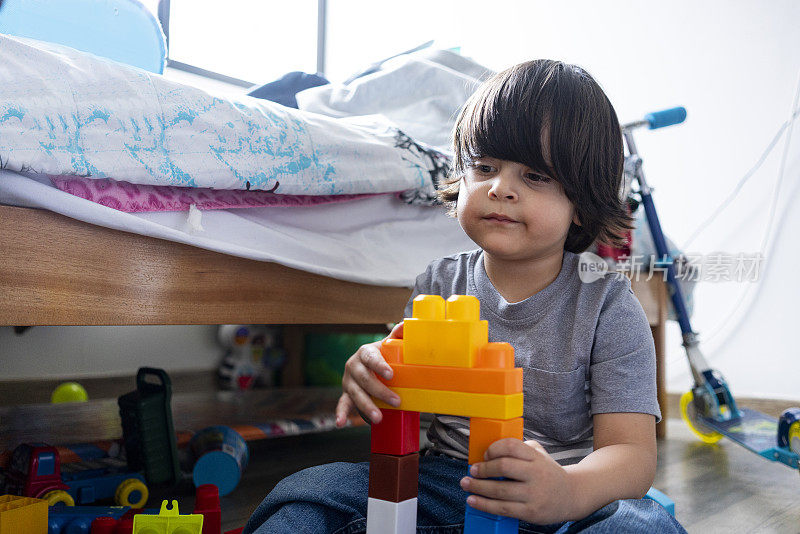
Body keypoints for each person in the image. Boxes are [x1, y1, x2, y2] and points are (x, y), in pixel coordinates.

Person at [243, 59, 687, 533]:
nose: (500, 188)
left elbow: (632, 457)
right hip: (450, 485)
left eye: (534, 176)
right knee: (307, 495)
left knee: (641, 525)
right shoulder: (439, 284)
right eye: (485, 167)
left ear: (581, 203)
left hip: (569, 499)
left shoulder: (608, 305)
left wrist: (567, 491)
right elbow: (402, 385)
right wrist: (370, 368)